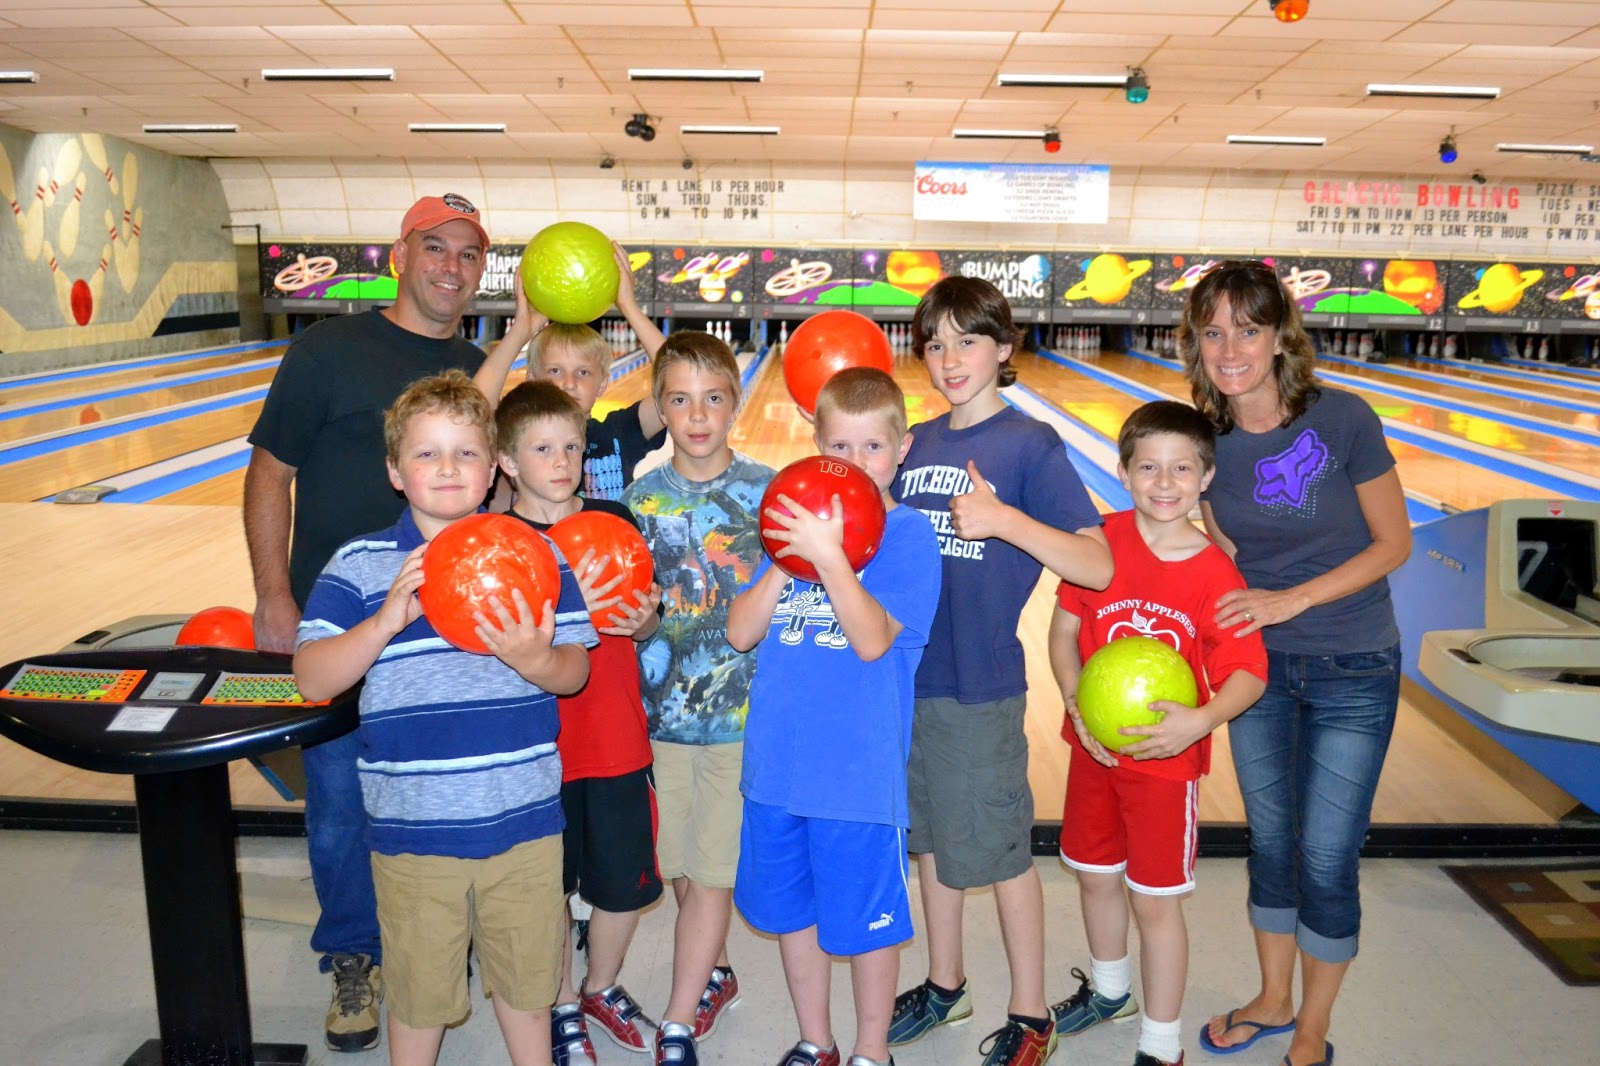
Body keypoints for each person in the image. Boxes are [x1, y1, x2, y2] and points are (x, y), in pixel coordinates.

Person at [245, 193, 545, 1052]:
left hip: (445, 626)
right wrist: (273, 593)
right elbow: (269, 474)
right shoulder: (327, 349)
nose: (452, 267)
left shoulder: (476, 362)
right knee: (343, 807)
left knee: (443, 794)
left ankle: (452, 940)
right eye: (435, 247)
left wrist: (520, 336)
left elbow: (486, 452)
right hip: (343, 619)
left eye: (469, 253)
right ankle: (353, 955)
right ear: (399, 254)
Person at [293, 370, 597, 1066]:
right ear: (396, 473)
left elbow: (575, 671)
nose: (448, 469)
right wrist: (382, 624)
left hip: (523, 825)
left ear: (493, 469)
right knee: (419, 997)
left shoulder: (538, 555)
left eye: (465, 453)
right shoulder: (363, 566)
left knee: (528, 991)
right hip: (413, 835)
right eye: (427, 454)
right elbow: (312, 680)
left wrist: (532, 657)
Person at [1177, 261, 1411, 1066]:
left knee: (1325, 853)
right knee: (1273, 844)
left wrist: (1291, 601)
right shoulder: (1207, 443)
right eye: (1213, 332)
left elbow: (1394, 543)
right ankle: (1274, 999)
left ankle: (1314, 1024)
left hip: (1353, 663)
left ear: (1281, 336)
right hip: (1260, 674)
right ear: (1196, 343)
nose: (1230, 348)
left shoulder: (1343, 419)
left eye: (1247, 327)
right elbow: (1221, 552)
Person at [887, 276, 1113, 1066]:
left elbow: (1097, 561)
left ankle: (1031, 1014)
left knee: (1000, 854)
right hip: (905, 681)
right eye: (934, 343)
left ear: (1005, 348)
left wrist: (1007, 520)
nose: (949, 358)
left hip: (977, 685)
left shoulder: (1030, 446)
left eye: (967, 340)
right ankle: (946, 986)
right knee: (932, 845)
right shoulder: (914, 442)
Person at [727, 368, 941, 1066]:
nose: (855, 465)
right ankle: (815, 1039)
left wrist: (830, 560)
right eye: (839, 449)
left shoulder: (908, 536)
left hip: (856, 777)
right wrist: (791, 561)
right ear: (816, 448)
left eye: (872, 448)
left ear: (902, 450)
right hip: (777, 770)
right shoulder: (788, 533)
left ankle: (871, 1049)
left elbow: (874, 640)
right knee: (792, 914)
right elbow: (738, 632)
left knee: (867, 925)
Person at [1047, 401, 1268, 1066]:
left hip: (1166, 768)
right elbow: (1062, 633)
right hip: (1094, 751)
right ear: (1122, 471)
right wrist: (1072, 699)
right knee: (1093, 876)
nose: (1164, 482)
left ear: (1205, 478)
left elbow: (1249, 675)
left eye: (1181, 469)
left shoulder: (1214, 573)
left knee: (1155, 902)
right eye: (1148, 467)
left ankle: (1162, 1043)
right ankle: (1111, 991)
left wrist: (1199, 723)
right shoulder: (1101, 543)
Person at [491, 380, 667, 1063]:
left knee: (626, 880)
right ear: (506, 460)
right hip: (538, 745)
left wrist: (646, 618)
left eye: (571, 446)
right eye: (542, 449)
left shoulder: (616, 517)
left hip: (617, 730)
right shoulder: (500, 541)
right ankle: (563, 1003)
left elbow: (648, 618)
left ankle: (601, 984)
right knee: (549, 887)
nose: (562, 461)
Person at [621, 332, 774, 1066]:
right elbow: (629, 612)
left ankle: (678, 1019)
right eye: (680, 400)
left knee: (712, 868)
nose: (698, 414)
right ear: (659, 408)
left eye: (713, 398)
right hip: (659, 720)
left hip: (740, 716)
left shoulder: (769, 493)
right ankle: (711, 970)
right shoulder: (637, 502)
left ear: (735, 403)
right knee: (677, 863)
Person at [475, 241, 667, 499]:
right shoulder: (519, 435)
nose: (568, 382)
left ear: (603, 383)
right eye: (554, 371)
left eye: (583, 372)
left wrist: (629, 308)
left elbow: (681, 381)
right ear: (532, 379)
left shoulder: (621, 430)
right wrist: (521, 330)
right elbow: (474, 410)